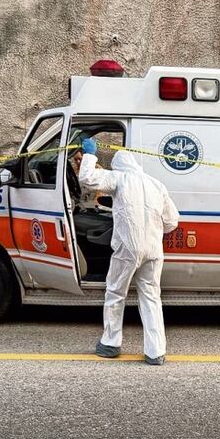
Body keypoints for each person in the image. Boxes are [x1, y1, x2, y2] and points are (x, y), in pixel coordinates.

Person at [77, 138, 180, 365]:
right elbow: (172, 221)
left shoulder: (119, 178)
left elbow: (87, 178)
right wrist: (151, 228)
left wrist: (90, 155)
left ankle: (110, 344)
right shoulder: (156, 184)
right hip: (154, 250)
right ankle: (155, 352)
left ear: (118, 166)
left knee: (116, 293)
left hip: (128, 248)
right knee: (151, 297)